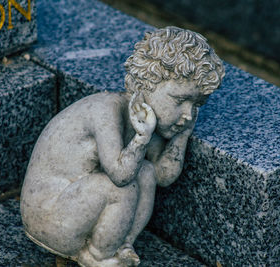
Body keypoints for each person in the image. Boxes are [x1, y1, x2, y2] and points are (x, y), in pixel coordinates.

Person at [20, 26, 225, 267]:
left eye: (197, 104)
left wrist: (182, 135)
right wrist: (141, 138)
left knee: (146, 172)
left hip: (77, 208)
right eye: (180, 101)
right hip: (48, 216)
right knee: (121, 188)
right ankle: (97, 256)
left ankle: (121, 243)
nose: (188, 114)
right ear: (146, 85)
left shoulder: (151, 120)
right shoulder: (106, 110)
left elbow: (161, 176)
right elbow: (120, 175)